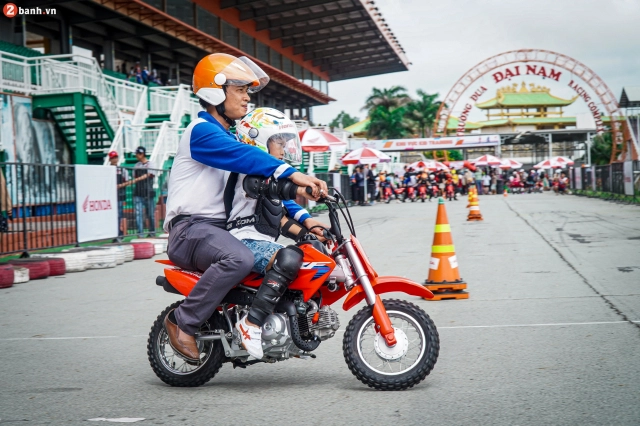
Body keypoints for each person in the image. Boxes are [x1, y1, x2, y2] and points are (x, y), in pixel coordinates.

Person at [162, 53, 327, 362]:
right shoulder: (201, 132)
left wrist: (306, 219)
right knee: (239, 257)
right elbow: (250, 158)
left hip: (214, 232)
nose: (247, 97)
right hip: (190, 230)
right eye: (240, 90)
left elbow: (268, 185)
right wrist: (295, 173)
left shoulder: (228, 136)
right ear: (215, 92)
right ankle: (181, 322)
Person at [228, 108, 327, 357]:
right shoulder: (246, 174)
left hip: (259, 240)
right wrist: (299, 188)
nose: (283, 149)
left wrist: (311, 230)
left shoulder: (269, 178)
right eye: (278, 143)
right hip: (242, 240)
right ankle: (251, 323)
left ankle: (296, 324)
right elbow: (271, 189)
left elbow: (281, 216)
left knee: (313, 250)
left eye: (284, 143)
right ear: (258, 141)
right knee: (289, 257)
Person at [131, 146, 156, 237]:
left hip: (149, 193)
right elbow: (134, 176)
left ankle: (152, 232)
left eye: (138, 153)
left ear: (142, 154)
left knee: (150, 215)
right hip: (138, 193)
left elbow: (150, 175)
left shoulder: (151, 164)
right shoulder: (136, 165)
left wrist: (136, 180)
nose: (137, 155)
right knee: (138, 214)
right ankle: (140, 234)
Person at [107, 151, 129, 239]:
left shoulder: (122, 170)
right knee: (111, 216)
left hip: (119, 196)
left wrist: (119, 186)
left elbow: (127, 182)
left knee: (119, 215)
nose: (114, 159)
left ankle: (118, 233)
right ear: (109, 159)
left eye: (116, 157)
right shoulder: (106, 170)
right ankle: (115, 233)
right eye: (113, 158)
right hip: (109, 197)